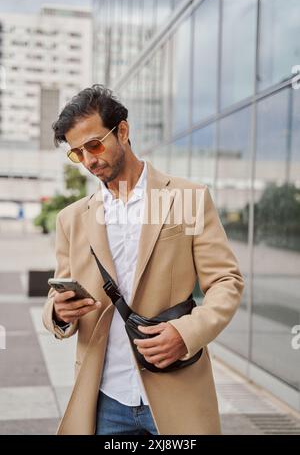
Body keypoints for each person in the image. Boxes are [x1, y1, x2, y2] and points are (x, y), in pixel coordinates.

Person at [43, 84, 244, 435]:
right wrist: (59, 312)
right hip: (104, 398)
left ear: (122, 130)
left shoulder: (187, 198)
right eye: (77, 153)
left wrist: (186, 333)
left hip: (177, 391)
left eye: (94, 145)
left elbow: (227, 282)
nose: (89, 160)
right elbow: (58, 299)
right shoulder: (72, 219)